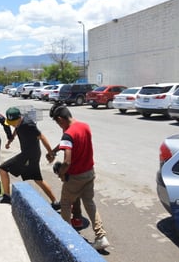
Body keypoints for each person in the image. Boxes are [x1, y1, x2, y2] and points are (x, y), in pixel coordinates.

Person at [46, 104, 109, 251]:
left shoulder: (68, 134)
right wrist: (54, 151)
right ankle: (101, 237)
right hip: (89, 173)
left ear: (60, 119)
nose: (59, 125)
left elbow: (67, 161)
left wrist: (61, 173)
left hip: (75, 176)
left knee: (66, 203)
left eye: (57, 122)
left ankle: (67, 237)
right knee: (89, 203)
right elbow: (69, 142)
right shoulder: (84, 126)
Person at [0, 107, 60, 210]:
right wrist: (10, 141)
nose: (12, 124)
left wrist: (50, 153)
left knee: (3, 168)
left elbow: (42, 137)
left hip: (29, 155)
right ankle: (55, 202)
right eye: (10, 122)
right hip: (28, 154)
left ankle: (7, 197)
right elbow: (16, 130)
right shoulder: (19, 122)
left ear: (19, 118)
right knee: (37, 179)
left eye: (13, 122)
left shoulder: (28, 124)